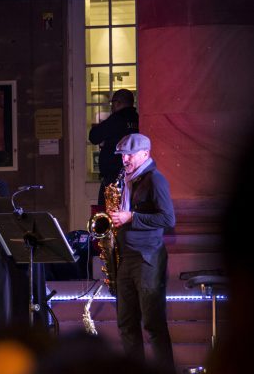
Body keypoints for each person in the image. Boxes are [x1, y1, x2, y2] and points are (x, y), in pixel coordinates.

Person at [108, 133, 175, 372]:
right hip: (127, 256)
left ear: (145, 154)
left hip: (148, 258)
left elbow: (168, 218)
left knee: (153, 324)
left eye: (129, 155)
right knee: (126, 323)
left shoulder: (155, 179)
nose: (124, 159)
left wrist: (131, 217)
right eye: (122, 155)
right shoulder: (127, 179)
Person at [88, 88, 139, 206]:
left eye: (113, 103)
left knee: (108, 216)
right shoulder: (138, 119)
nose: (111, 106)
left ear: (118, 103)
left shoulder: (117, 119)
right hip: (135, 177)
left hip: (114, 178)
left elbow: (94, 136)